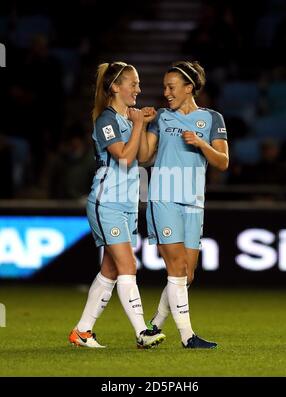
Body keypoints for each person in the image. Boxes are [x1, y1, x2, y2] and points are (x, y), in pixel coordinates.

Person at [69, 61, 165, 349]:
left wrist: (147, 125)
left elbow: (144, 156)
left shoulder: (127, 120)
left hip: (125, 203)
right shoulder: (106, 120)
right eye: (133, 83)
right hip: (106, 201)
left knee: (111, 270)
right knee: (127, 265)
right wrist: (138, 124)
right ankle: (142, 332)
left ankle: (82, 331)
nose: (138, 89)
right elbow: (124, 157)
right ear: (115, 87)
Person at [138, 61, 229, 349]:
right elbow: (143, 157)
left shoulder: (213, 118)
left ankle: (152, 328)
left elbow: (223, 162)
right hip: (164, 196)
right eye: (164, 87)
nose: (166, 92)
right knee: (176, 267)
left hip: (194, 201)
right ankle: (188, 337)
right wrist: (142, 124)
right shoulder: (161, 117)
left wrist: (202, 144)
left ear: (189, 88)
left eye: (171, 87)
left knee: (187, 274)